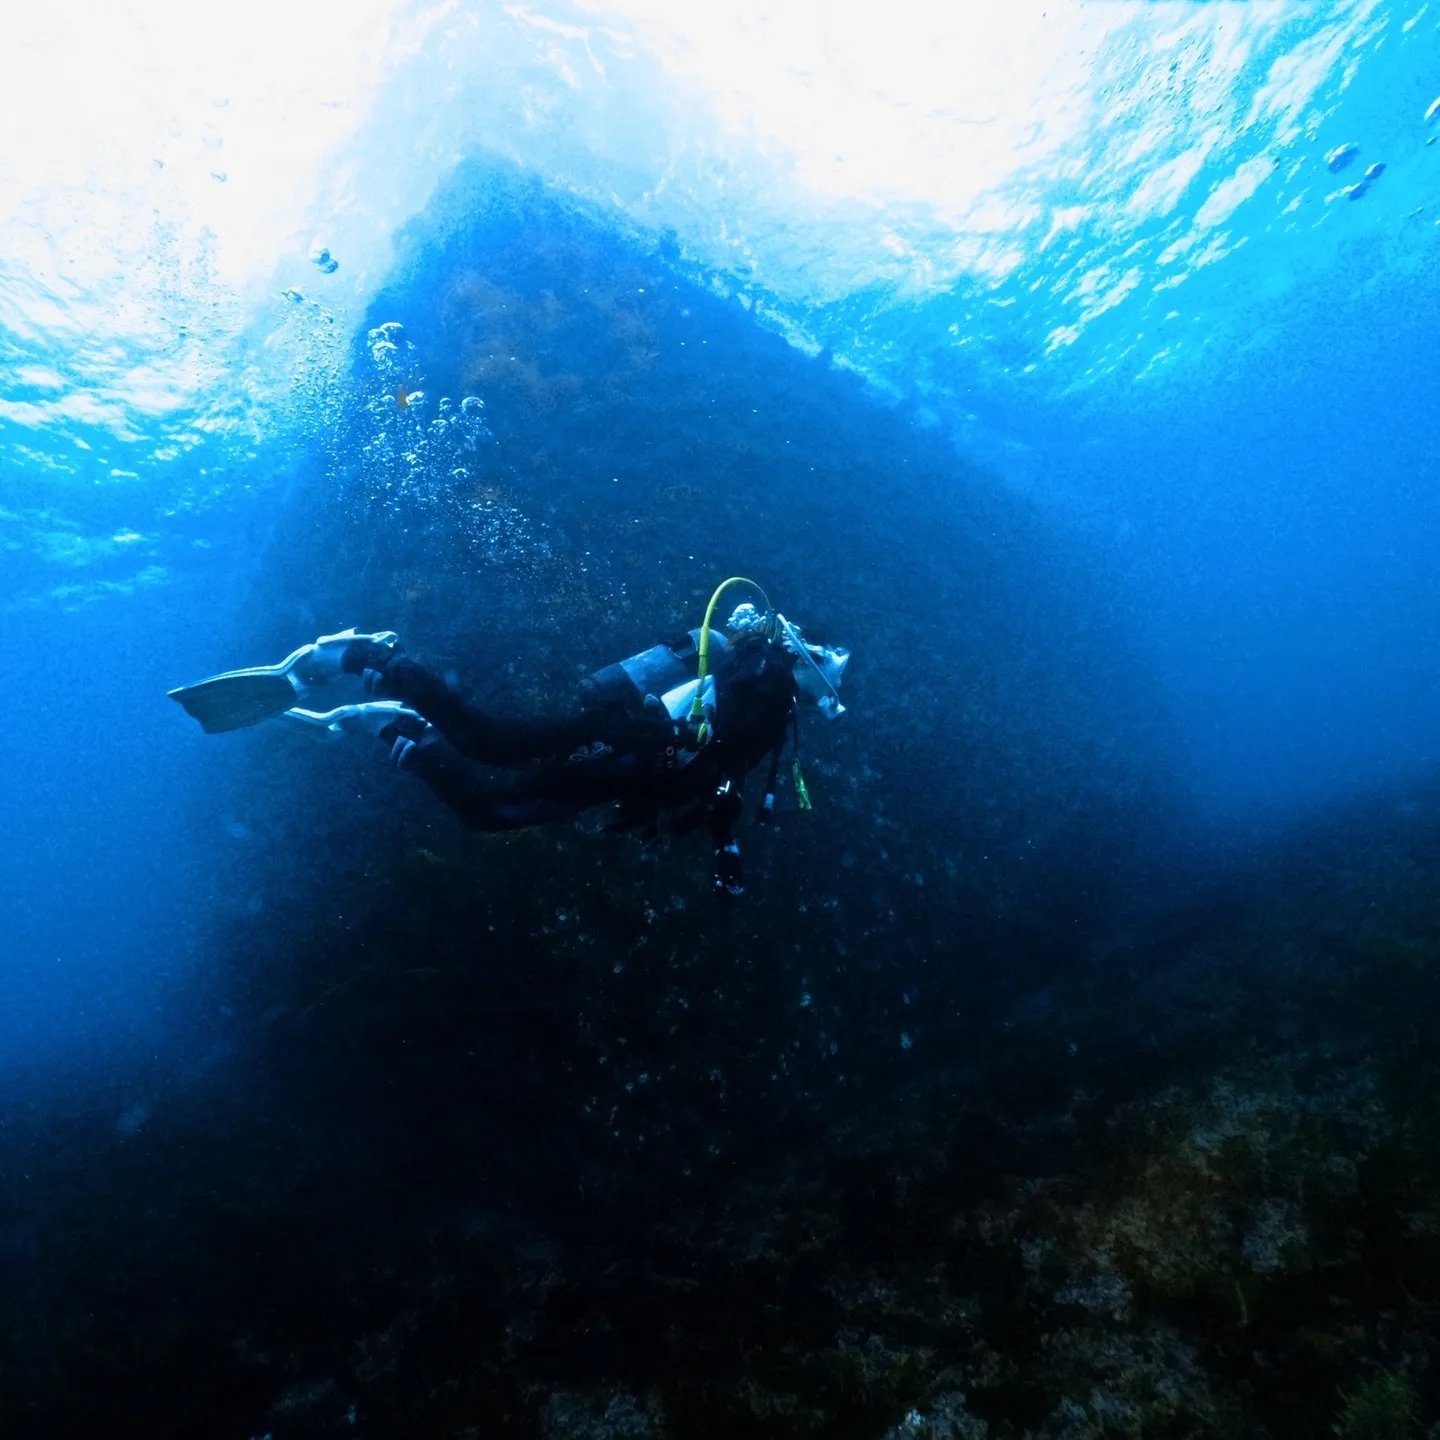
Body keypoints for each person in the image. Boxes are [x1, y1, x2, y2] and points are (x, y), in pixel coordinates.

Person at [169, 581, 849, 897]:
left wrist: (725, 842)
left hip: (635, 763)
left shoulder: (777, 705)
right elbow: (716, 736)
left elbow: (722, 768)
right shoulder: (771, 679)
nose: (835, 687)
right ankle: (369, 660)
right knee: (492, 750)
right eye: (836, 668)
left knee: (490, 802)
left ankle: (398, 722)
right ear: (812, 657)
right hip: (628, 743)